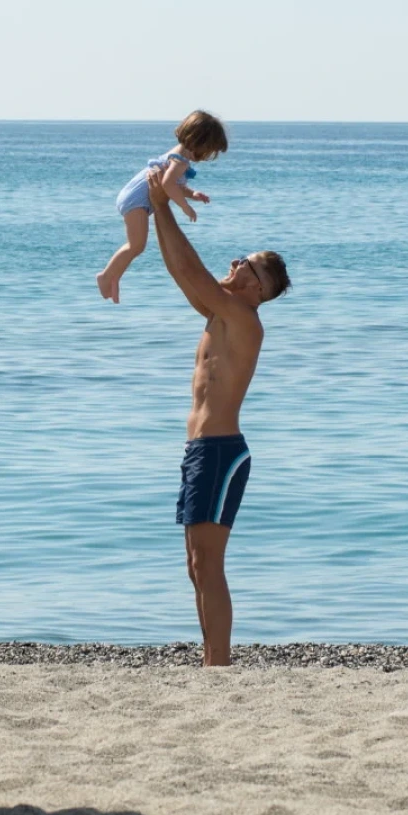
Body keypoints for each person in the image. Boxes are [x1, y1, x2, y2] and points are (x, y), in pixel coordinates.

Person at [144, 165, 288, 666]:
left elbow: (195, 272)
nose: (236, 263)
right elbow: (179, 269)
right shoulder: (218, 315)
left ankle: (219, 665)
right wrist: (153, 206)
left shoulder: (242, 317)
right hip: (199, 451)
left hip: (222, 452)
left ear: (258, 290)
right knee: (195, 565)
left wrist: (160, 203)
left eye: (247, 265)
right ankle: (211, 659)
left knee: (209, 564)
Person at [97, 110, 229, 304]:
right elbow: (167, 184)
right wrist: (185, 207)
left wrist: (191, 194)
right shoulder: (180, 161)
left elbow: (174, 184)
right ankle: (106, 276)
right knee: (136, 245)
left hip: (133, 196)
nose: (207, 156)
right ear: (201, 143)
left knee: (136, 246)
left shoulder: (178, 155)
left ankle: (114, 277)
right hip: (136, 200)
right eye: (209, 151)